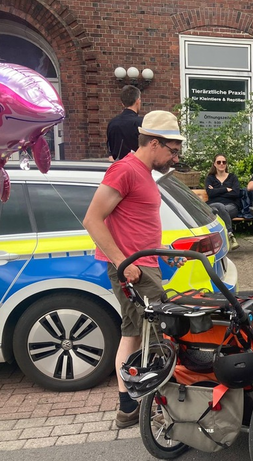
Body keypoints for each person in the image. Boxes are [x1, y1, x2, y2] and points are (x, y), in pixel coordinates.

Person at [84, 110, 185, 428]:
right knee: (159, 336)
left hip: (143, 265)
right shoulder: (124, 170)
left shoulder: (141, 173)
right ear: (154, 143)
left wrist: (164, 253)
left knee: (133, 333)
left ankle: (128, 407)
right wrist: (122, 263)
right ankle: (153, 406)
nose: (175, 158)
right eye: (173, 150)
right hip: (134, 270)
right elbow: (92, 220)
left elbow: (137, 225)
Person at [204, 153, 241, 250]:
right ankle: (230, 235)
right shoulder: (210, 178)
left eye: (224, 162)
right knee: (219, 207)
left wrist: (216, 191)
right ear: (214, 164)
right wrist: (225, 189)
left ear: (226, 164)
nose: (221, 164)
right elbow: (210, 193)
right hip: (214, 205)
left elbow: (236, 193)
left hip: (231, 206)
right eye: (219, 162)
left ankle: (219, 243)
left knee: (219, 210)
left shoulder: (233, 177)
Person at [106, 85, 143, 161]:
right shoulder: (141, 123)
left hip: (117, 167)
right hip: (136, 166)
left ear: (122, 103)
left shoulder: (112, 123)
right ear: (138, 101)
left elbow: (110, 151)